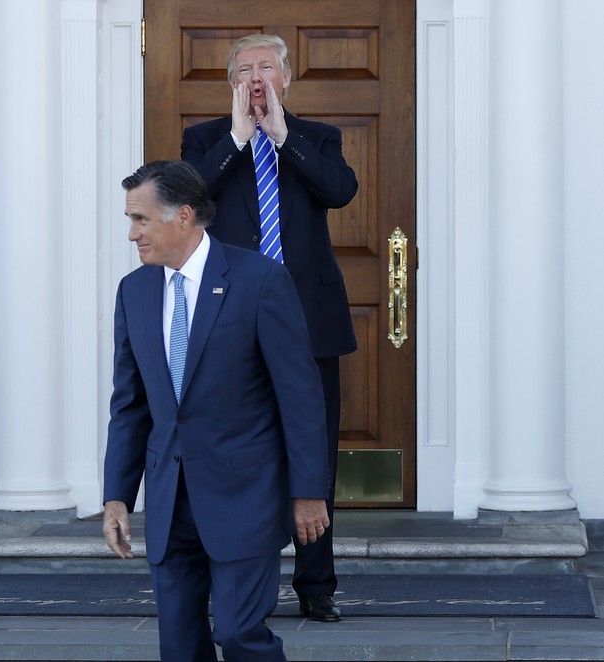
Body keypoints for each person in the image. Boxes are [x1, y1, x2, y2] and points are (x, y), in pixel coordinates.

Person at [102, 160, 332, 661]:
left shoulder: (259, 280)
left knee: (238, 634)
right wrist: (117, 497)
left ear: (183, 216)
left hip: (244, 498)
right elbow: (131, 405)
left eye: (140, 219)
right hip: (169, 502)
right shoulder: (134, 292)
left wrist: (310, 492)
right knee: (180, 648)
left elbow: (301, 397)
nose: (131, 233)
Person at [181, 33, 358, 622]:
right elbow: (188, 204)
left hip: (309, 323)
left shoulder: (316, 139)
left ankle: (317, 588)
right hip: (230, 323)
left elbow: (340, 190)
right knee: (231, 454)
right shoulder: (206, 141)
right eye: (245, 68)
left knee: (313, 453)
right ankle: (230, 582)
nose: (256, 77)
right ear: (231, 81)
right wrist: (237, 138)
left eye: (267, 67)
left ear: (286, 79)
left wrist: (282, 137)